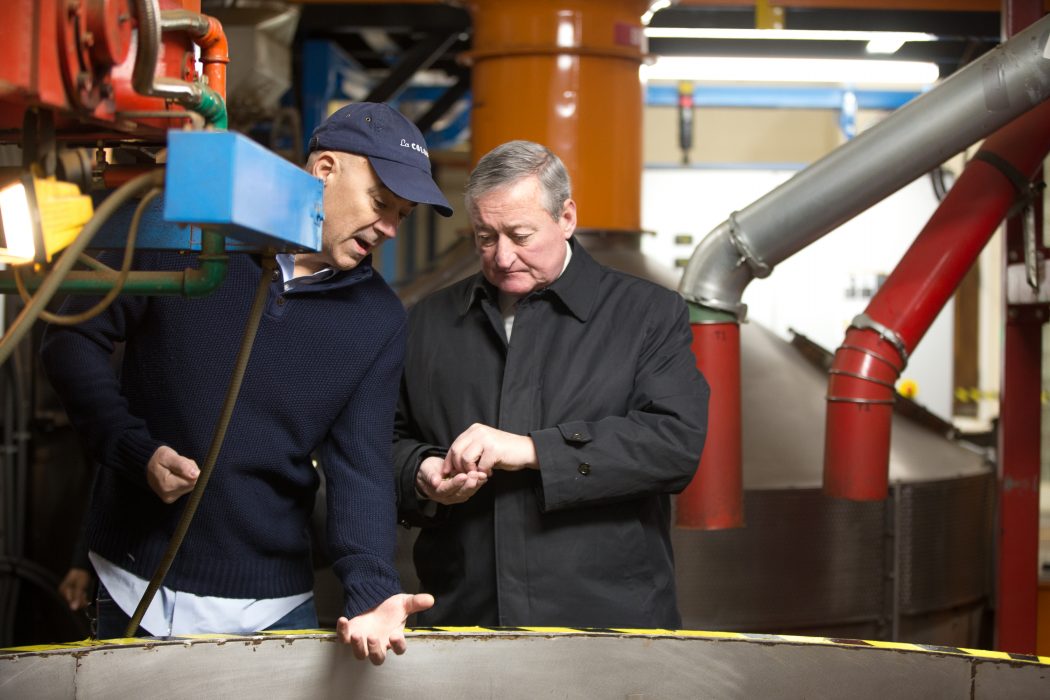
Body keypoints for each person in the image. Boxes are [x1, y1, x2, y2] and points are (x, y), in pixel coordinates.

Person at [41, 102, 451, 664]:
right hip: (132, 580)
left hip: (270, 604)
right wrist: (130, 448)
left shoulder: (377, 319)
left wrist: (373, 592)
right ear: (324, 169)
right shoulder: (185, 230)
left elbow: (361, 467)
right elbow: (69, 339)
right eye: (381, 203)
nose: (387, 227)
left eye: (402, 216)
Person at [393, 140, 710, 628]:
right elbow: (382, 442)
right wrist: (422, 473)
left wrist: (532, 450)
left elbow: (673, 445)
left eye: (520, 235)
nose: (501, 257)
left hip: (607, 629)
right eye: (484, 237)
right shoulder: (428, 322)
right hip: (462, 620)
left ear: (566, 217)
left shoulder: (646, 314)